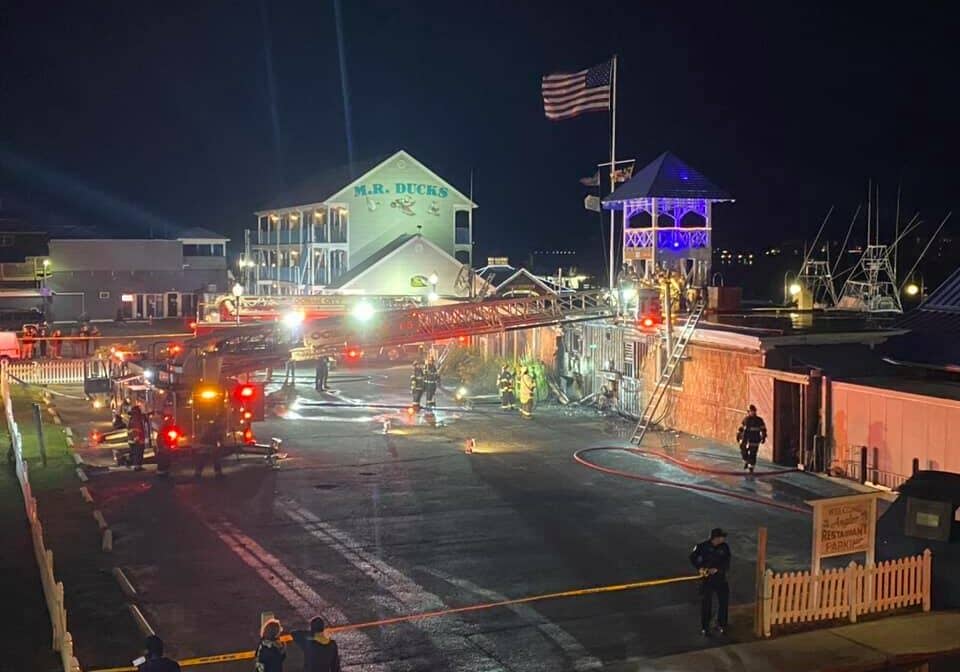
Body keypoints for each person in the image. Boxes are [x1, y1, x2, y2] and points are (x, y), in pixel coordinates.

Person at [689, 527, 731, 636]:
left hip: (720, 579)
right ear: (716, 538)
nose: (724, 539)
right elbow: (692, 557)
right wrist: (700, 568)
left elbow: (727, 562)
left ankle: (722, 625)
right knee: (706, 604)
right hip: (707, 580)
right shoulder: (702, 547)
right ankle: (705, 627)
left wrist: (718, 569)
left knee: (723, 602)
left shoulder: (725, 547)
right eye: (722, 537)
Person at [737, 404, 768, 473]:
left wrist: (763, 437)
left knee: (753, 453)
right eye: (750, 411)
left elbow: (763, 429)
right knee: (743, 450)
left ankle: (751, 467)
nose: (751, 412)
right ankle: (746, 461)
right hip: (745, 438)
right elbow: (741, 428)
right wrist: (738, 434)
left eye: (752, 411)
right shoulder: (746, 419)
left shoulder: (759, 420)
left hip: (755, 439)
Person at [127, 405, 148, 471]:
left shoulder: (132, 418)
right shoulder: (136, 419)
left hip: (133, 440)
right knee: (138, 453)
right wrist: (137, 438)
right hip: (137, 440)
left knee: (135, 453)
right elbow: (136, 430)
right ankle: (137, 467)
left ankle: (136, 465)